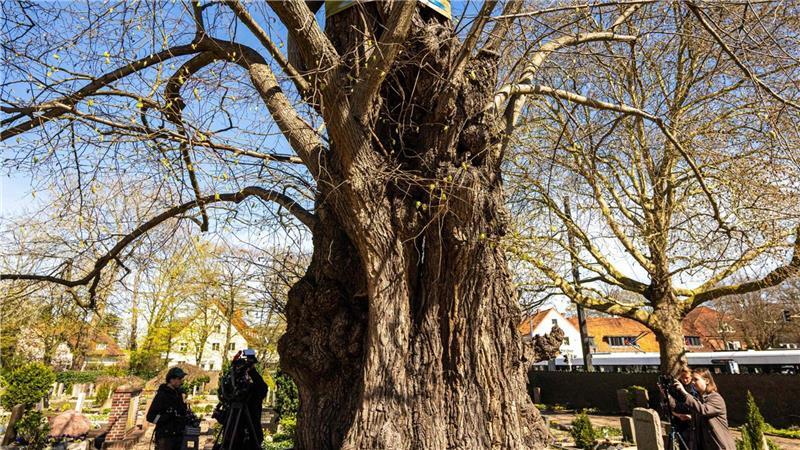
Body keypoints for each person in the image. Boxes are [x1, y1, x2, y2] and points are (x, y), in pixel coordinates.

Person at [673, 369, 736, 450]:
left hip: (718, 446)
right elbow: (678, 408)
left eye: (696, 379)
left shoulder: (715, 398)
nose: (692, 382)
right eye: (692, 380)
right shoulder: (699, 399)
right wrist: (667, 394)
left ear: (706, 381)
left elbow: (703, 410)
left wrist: (685, 393)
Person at [146, 367, 189, 450]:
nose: (181, 381)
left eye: (181, 378)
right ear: (171, 379)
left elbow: (181, 412)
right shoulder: (162, 395)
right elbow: (150, 417)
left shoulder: (178, 394)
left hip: (178, 436)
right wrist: (167, 416)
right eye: (179, 378)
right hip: (165, 437)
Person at [670, 367, 699, 450]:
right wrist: (677, 415)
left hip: (693, 422)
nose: (685, 380)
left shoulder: (694, 389)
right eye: (682, 378)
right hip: (680, 421)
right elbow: (673, 406)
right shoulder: (676, 388)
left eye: (687, 378)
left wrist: (691, 417)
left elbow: (698, 406)